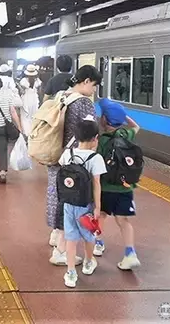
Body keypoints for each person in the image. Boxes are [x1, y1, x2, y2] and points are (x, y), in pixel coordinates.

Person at [47, 65, 102, 266]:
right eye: (94, 85)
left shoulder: (62, 96)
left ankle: (55, 236)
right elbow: (90, 131)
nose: (94, 90)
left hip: (57, 155)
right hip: (76, 162)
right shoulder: (83, 103)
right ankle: (61, 251)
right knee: (73, 202)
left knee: (58, 196)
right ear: (86, 81)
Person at [94, 98, 142, 270]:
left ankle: (98, 243)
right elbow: (136, 126)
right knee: (123, 220)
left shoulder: (101, 141)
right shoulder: (126, 135)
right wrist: (124, 117)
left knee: (101, 215)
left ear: (104, 120)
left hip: (105, 188)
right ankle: (130, 253)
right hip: (125, 188)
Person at [58, 118, 105, 288]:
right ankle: (88, 262)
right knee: (89, 236)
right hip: (86, 205)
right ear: (95, 138)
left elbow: (61, 167)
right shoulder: (95, 158)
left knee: (71, 238)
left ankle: (71, 273)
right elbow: (96, 184)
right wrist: (98, 207)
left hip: (69, 204)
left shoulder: (67, 154)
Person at [19, 64, 42, 136]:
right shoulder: (38, 81)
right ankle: (33, 132)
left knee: (25, 116)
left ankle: (26, 132)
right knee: (34, 116)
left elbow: (21, 92)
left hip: (26, 99)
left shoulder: (23, 81)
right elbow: (40, 92)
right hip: (34, 99)